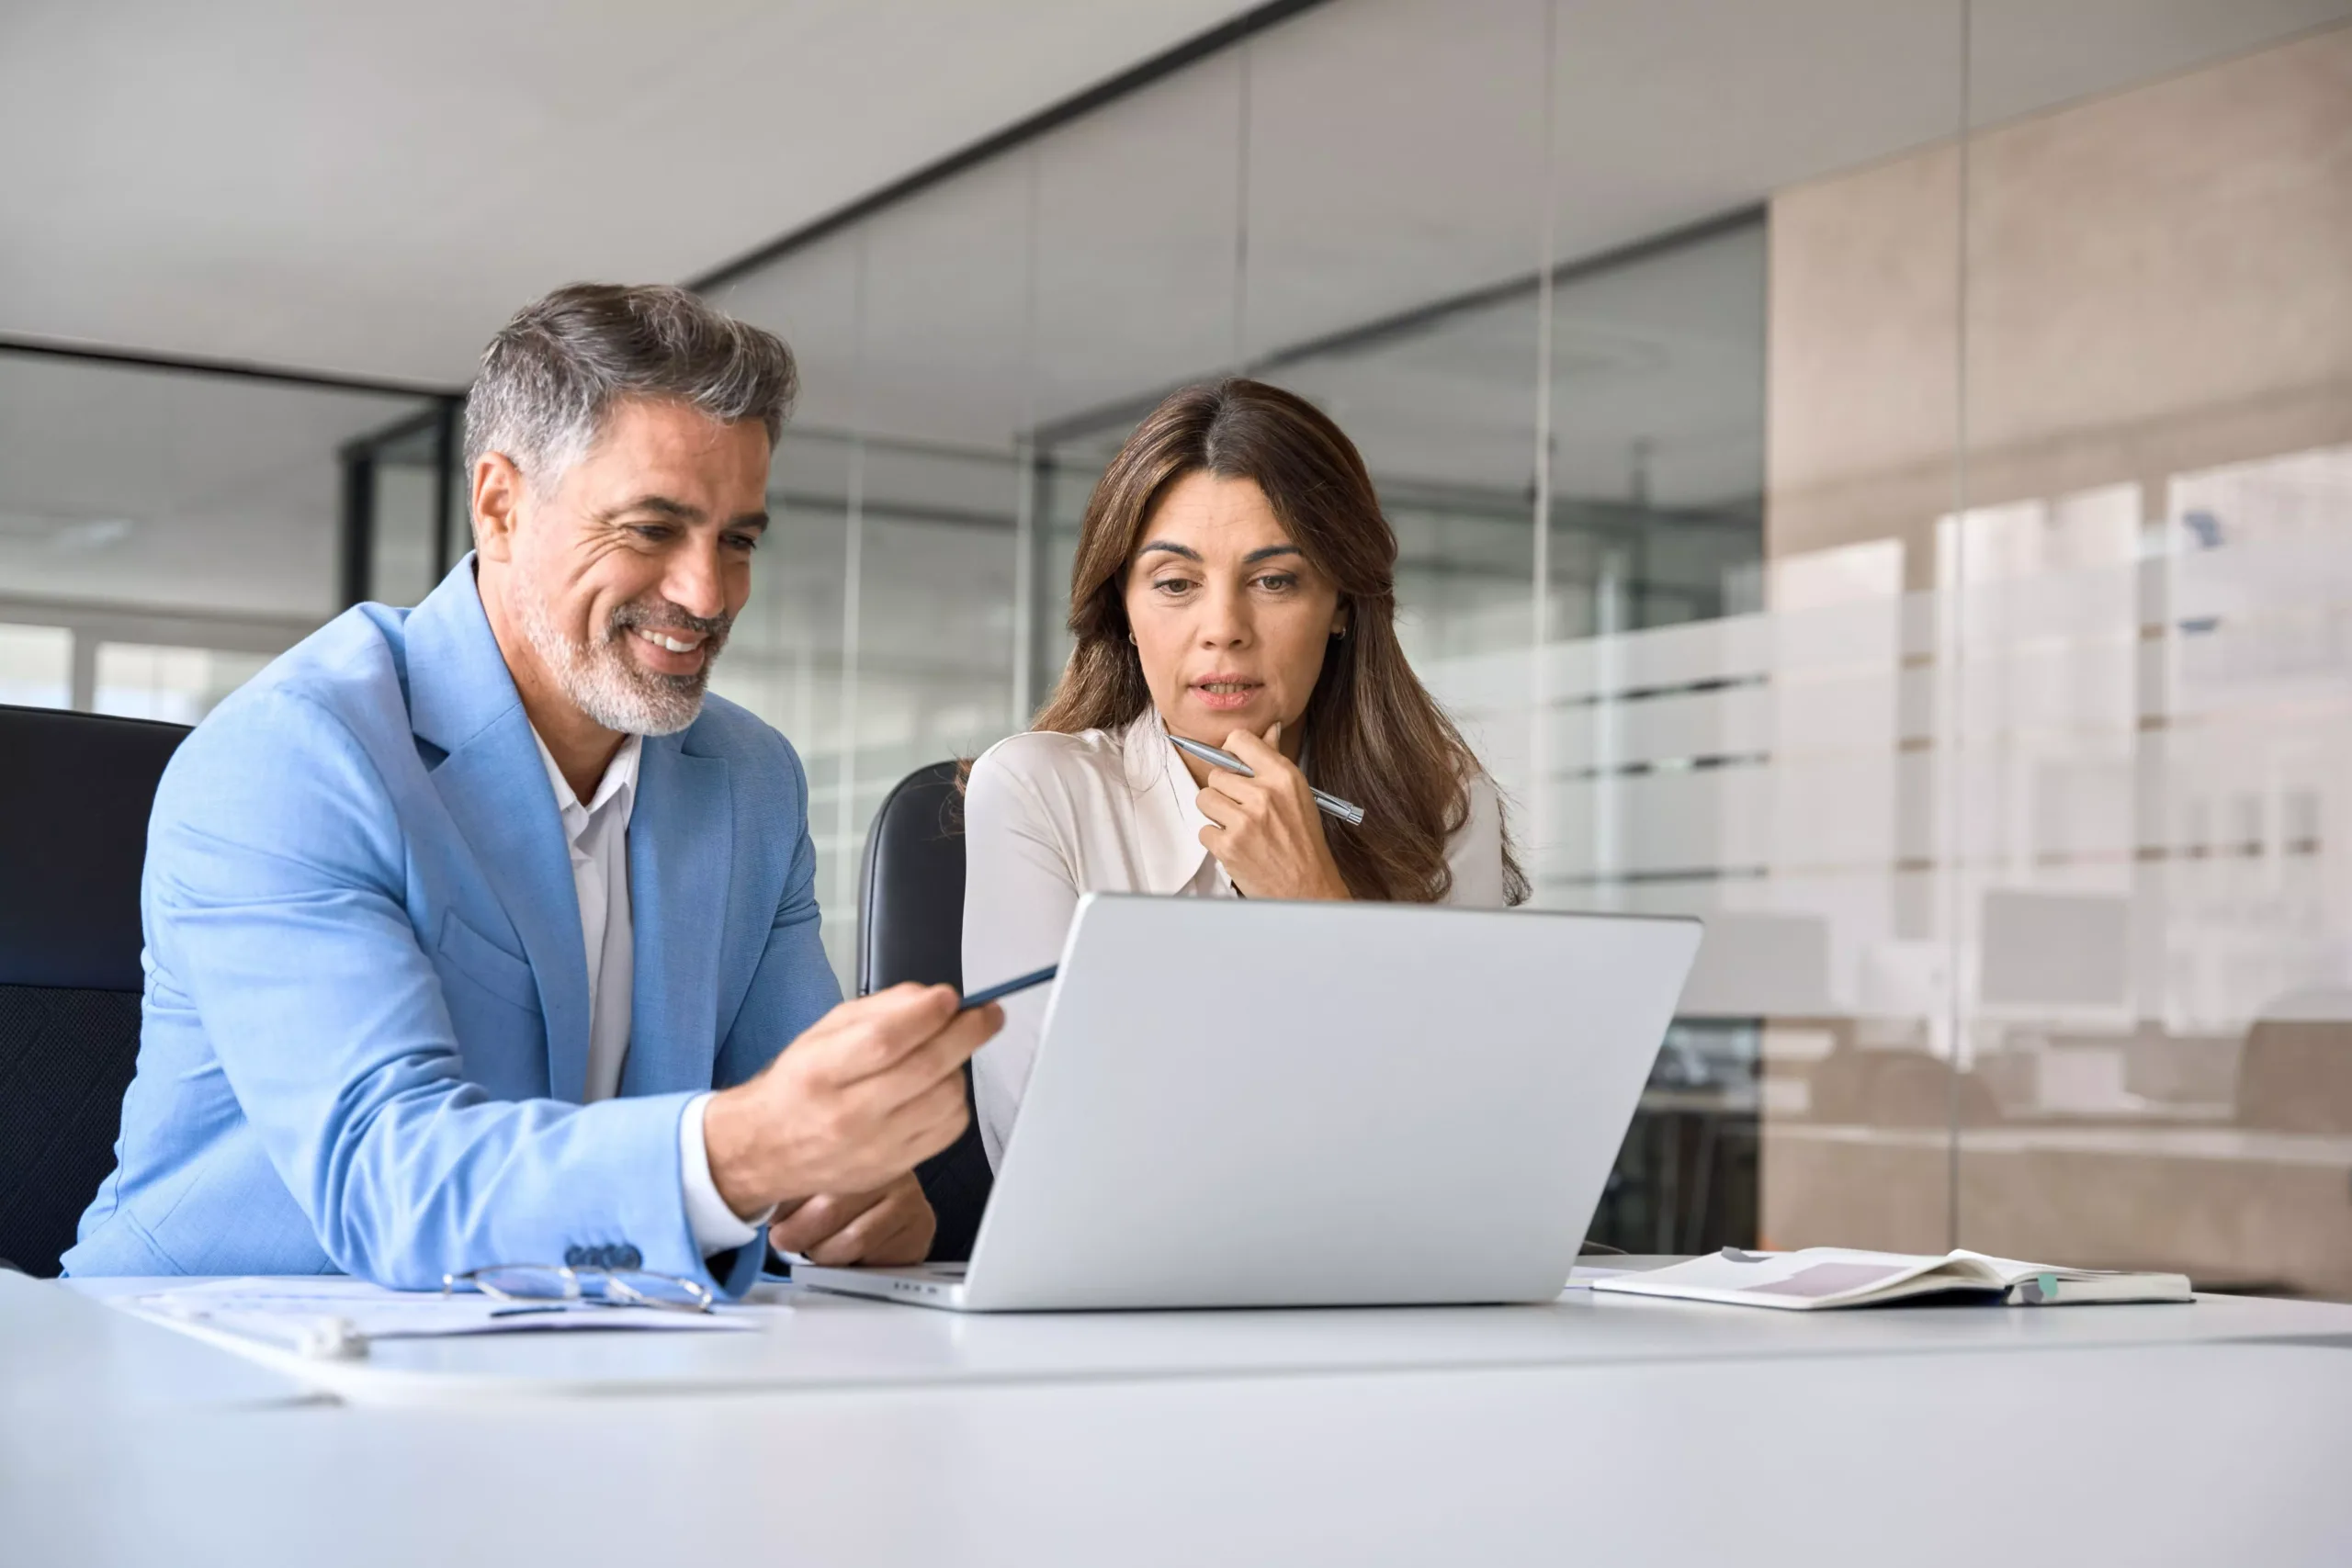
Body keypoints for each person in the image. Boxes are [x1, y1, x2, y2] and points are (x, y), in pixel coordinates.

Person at [64, 284, 998, 1295]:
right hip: (210, 1352)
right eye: (651, 529)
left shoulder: (749, 782)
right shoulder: (295, 755)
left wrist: (857, 1194)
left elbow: (802, 1140)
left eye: (738, 539)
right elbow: (390, 1178)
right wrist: (740, 1156)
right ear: (501, 504)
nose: (707, 594)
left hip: (565, 1354)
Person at [961, 378, 1528, 1168]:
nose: (1222, 629)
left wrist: (1313, 903)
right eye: (1175, 584)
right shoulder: (1034, 791)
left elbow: (1471, 1142)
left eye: (1275, 581)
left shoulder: (1443, 804)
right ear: (1123, 606)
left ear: (1340, 604)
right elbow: (1050, 1151)